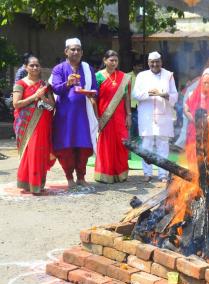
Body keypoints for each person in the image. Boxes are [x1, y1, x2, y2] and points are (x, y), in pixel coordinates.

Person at [51, 38, 98, 189]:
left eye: (78, 49)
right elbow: (56, 89)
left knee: (84, 146)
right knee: (66, 147)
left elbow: (96, 89)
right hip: (65, 115)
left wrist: (92, 93)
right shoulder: (59, 69)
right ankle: (69, 177)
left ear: (82, 52)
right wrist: (68, 83)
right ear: (66, 51)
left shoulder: (87, 69)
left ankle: (81, 177)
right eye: (72, 49)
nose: (76, 52)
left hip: (84, 114)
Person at [132, 51, 178, 183]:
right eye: (152, 62)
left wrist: (164, 95)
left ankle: (163, 174)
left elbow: (174, 95)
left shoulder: (169, 75)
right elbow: (135, 94)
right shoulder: (142, 75)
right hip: (146, 115)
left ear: (161, 62)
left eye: (157, 61)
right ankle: (147, 173)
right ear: (148, 63)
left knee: (163, 145)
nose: (154, 64)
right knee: (146, 145)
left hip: (163, 115)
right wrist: (149, 93)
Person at [12, 56, 55, 194]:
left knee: (41, 151)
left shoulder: (45, 84)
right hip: (27, 123)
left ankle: (38, 184)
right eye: (32, 65)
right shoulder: (20, 83)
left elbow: (52, 105)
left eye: (37, 65)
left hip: (43, 122)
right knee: (31, 152)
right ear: (26, 67)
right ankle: (31, 184)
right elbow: (16, 104)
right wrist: (35, 96)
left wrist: (43, 97)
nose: (35, 68)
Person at [94, 50, 131, 183]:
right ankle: (105, 174)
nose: (114, 63)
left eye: (116, 60)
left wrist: (129, 115)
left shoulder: (124, 77)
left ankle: (120, 173)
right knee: (106, 144)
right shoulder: (98, 76)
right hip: (104, 117)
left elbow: (127, 98)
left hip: (120, 116)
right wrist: (96, 117)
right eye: (111, 60)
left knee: (121, 144)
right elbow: (94, 99)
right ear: (105, 61)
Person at [128, 58, 143, 141]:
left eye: (141, 66)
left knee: (138, 122)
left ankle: (136, 140)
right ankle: (131, 139)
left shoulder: (143, 77)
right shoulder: (128, 76)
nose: (140, 68)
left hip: (141, 104)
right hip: (131, 104)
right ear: (134, 67)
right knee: (132, 122)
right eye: (138, 66)